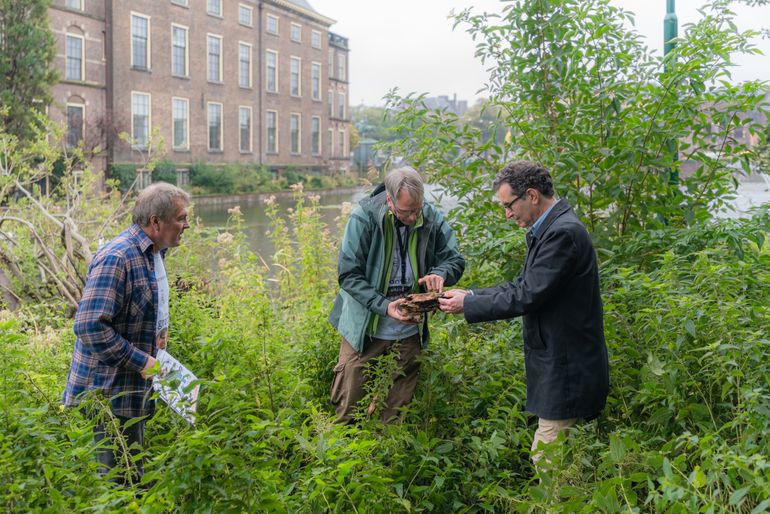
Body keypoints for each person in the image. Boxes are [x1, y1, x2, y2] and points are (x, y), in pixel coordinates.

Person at [439, 160, 609, 466]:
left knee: (547, 463)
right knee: (562, 463)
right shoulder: (551, 228)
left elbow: (527, 295)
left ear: (531, 195)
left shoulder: (561, 234)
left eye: (508, 205)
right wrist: (472, 295)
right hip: (562, 364)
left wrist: (469, 305)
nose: (507, 214)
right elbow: (523, 284)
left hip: (567, 368)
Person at [62, 182, 191, 485]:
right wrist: (142, 361)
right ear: (155, 222)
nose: (187, 225)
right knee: (117, 485)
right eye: (181, 218)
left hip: (131, 391)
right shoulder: (117, 257)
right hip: (107, 394)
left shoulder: (153, 254)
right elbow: (89, 326)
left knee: (133, 477)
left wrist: (158, 338)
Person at [328, 166, 465, 424]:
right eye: (406, 211)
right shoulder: (364, 217)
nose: (414, 217)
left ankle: (386, 458)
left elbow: (454, 259)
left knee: (394, 415)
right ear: (390, 200)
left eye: (417, 209)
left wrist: (441, 273)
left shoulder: (431, 217)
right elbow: (348, 274)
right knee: (349, 412)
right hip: (365, 328)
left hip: (409, 331)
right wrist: (384, 306)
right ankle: (346, 458)